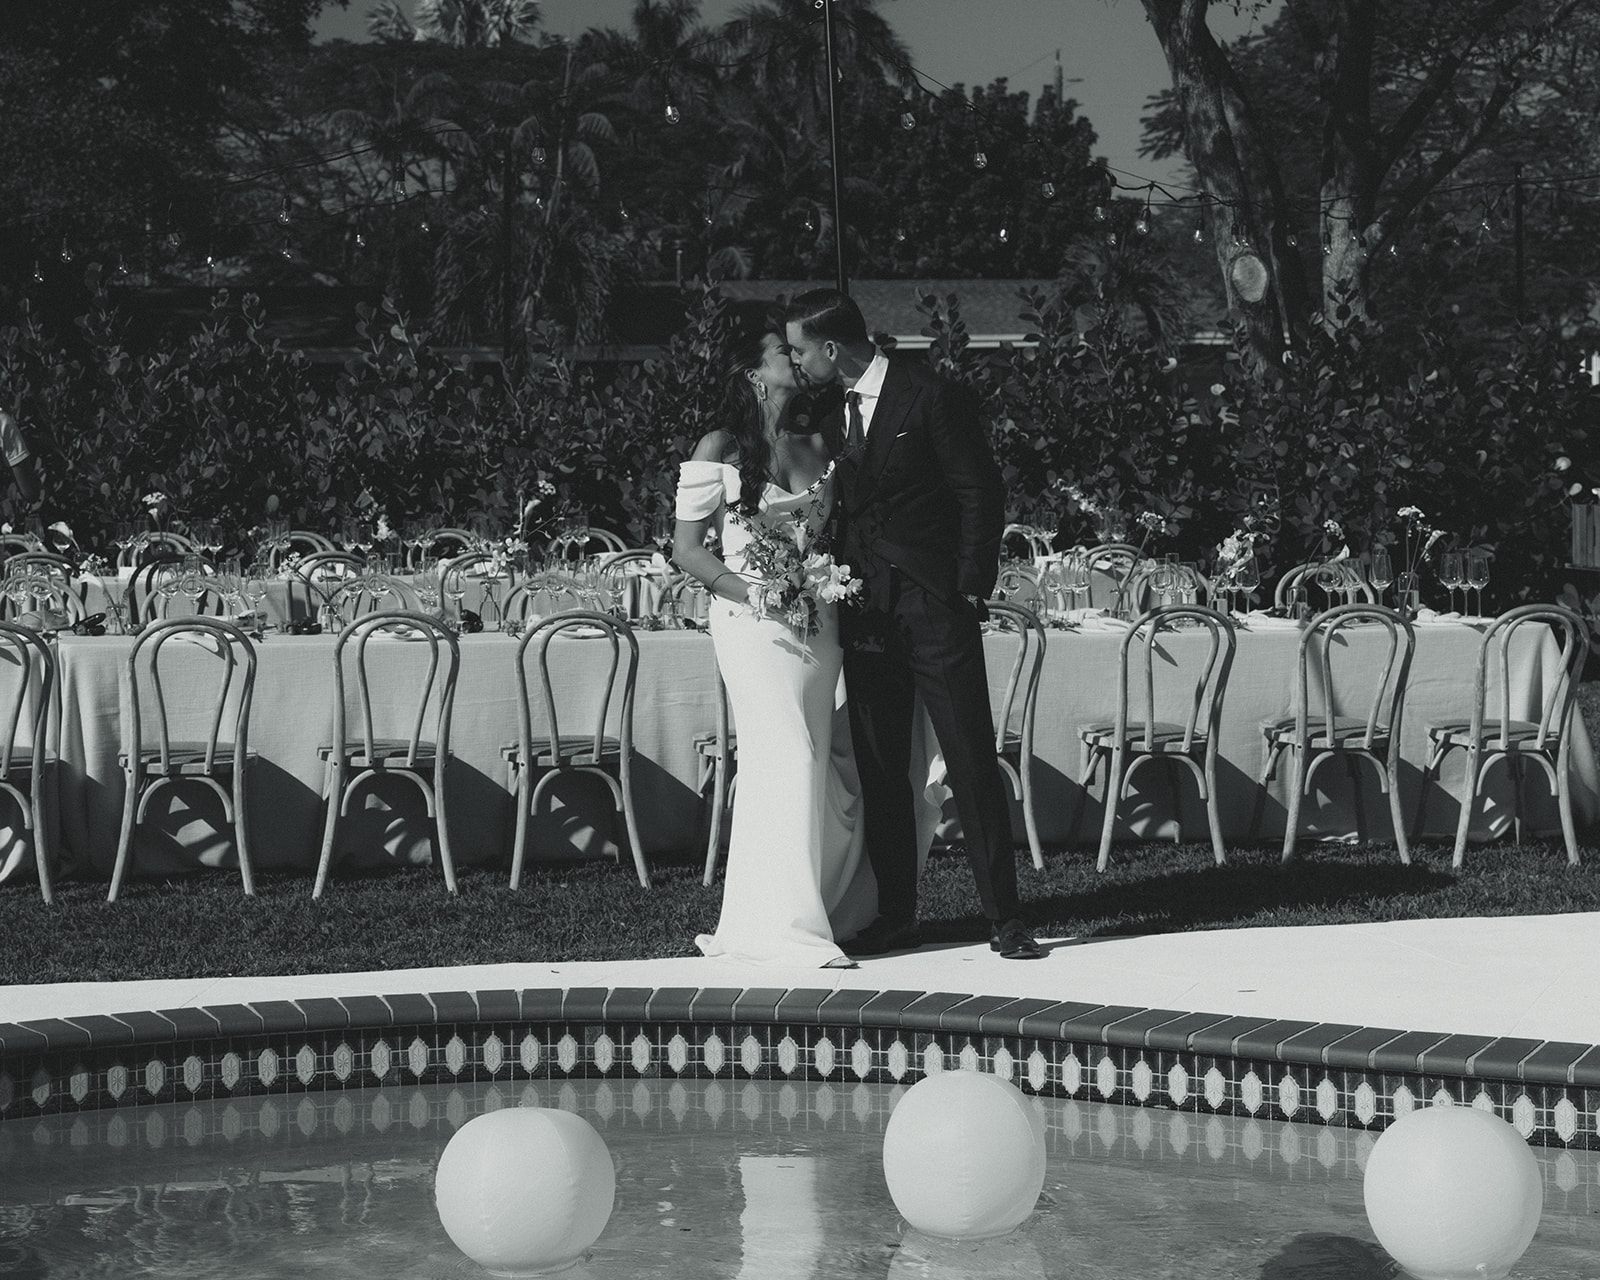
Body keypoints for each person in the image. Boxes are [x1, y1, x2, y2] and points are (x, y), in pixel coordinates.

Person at [783, 288, 1045, 960]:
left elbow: (978, 490)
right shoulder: (820, 409)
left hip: (935, 607)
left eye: (801, 349)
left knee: (968, 759)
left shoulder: (929, 394)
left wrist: (967, 586)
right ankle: (897, 915)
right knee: (879, 766)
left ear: (833, 347)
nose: (796, 360)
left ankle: (1005, 919)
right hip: (864, 613)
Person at [672, 327, 877, 968]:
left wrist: (819, 579)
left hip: (818, 620)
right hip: (752, 623)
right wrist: (752, 592)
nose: (793, 355)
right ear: (754, 375)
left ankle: (811, 910)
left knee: (816, 764)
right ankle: (787, 932)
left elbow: (830, 538)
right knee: (784, 755)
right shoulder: (721, 447)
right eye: (779, 351)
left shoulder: (818, 441)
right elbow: (687, 550)